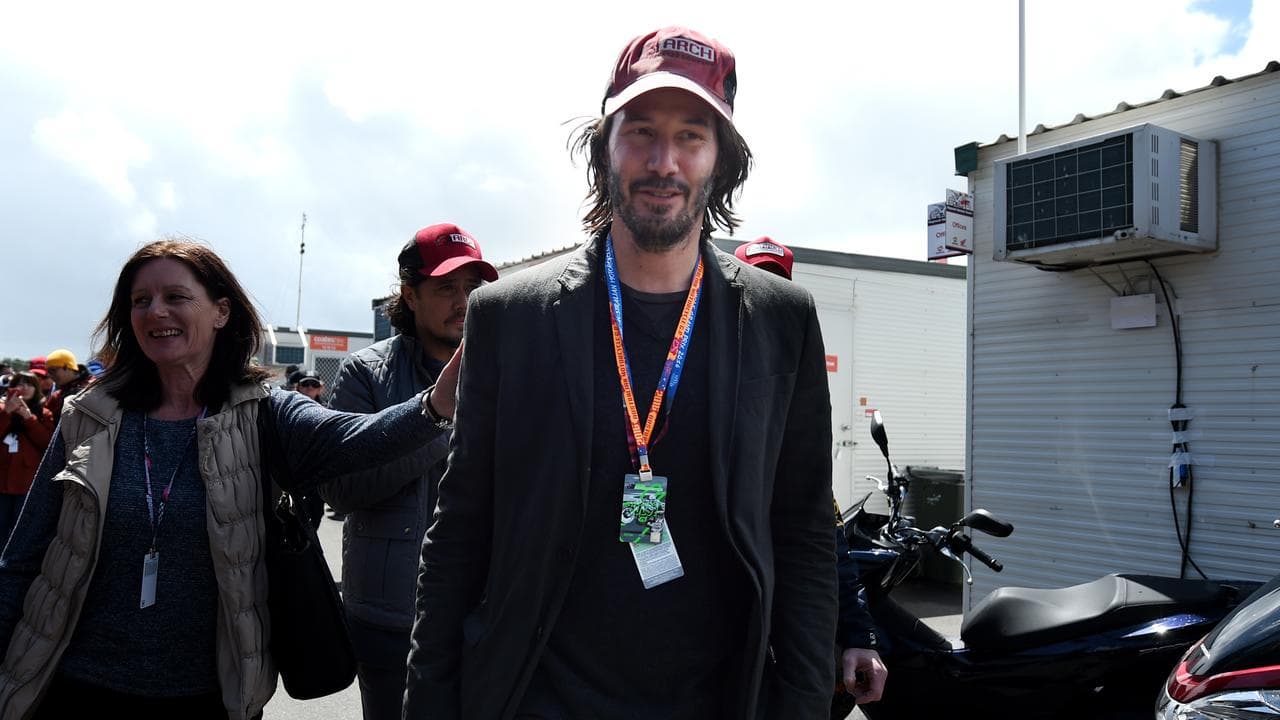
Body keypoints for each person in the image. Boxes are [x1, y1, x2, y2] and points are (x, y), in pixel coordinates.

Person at [404, 26, 838, 719]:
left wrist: (806, 700)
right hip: (535, 698)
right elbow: (459, 528)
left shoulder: (780, 319)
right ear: (604, 145)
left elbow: (807, 529)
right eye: (639, 130)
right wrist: (428, 701)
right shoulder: (510, 317)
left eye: (691, 135)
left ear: (721, 160)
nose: (663, 161)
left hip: (721, 700)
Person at [0, 239, 451, 719]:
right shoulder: (88, 415)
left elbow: (352, 438)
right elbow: (23, 559)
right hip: (77, 686)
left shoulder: (263, 411)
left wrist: (434, 406)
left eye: (175, 297)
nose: (156, 311)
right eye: (140, 300)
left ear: (221, 312)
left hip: (212, 695)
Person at [321, 222, 497, 720]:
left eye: (472, 288)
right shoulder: (364, 373)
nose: (463, 302)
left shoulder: (505, 367)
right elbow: (344, 487)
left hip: (483, 611)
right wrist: (436, 415)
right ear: (410, 294)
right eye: (446, 288)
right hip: (390, 618)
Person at [734, 236, 888, 710]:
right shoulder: (685, 376)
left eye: (777, 286)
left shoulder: (796, 401)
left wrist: (859, 634)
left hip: (773, 646)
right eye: (757, 284)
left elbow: (824, 537)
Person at [0, 371, 55, 544]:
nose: (24, 388)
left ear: (36, 388)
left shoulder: (44, 413)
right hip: (2, 479)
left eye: (29, 384)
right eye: (19, 383)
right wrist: (6, 413)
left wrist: (28, 418)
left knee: (20, 528)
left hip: (27, 482)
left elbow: (46, 443)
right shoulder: (2, 409)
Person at [43, 348, 94, 420]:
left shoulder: (92, 387)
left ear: (66, 367)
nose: (50, 375)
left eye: (53, 370)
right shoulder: (56, 396)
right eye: (48, 372)